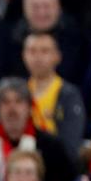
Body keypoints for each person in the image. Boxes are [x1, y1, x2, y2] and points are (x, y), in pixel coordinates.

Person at [22, 32, 85, 163]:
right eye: (32, 51)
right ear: (23, 56)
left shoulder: (69, 94)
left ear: (57, 56)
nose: (37, 57)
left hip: (56, 163)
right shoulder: (18, 93)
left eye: (44, 51)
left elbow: (71, 144)